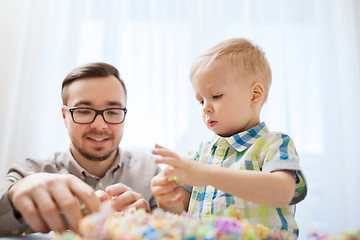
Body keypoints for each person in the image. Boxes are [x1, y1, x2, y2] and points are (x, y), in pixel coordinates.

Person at [150, 38, 307, 236]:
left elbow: (283, 192)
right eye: (200, 101)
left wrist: (206, 174)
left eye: (215, 96)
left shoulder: (274, 144)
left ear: (254, 95)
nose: (206, 107)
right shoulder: (200, 155)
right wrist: (167, 198)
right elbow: (182, 213)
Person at [0, 62, 160, 237]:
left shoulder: (151, 172)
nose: (99, 125)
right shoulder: (30, 172)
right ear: (64, 116)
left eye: (113, 111)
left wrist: (149, 224)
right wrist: (16, 196)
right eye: (84, 111)